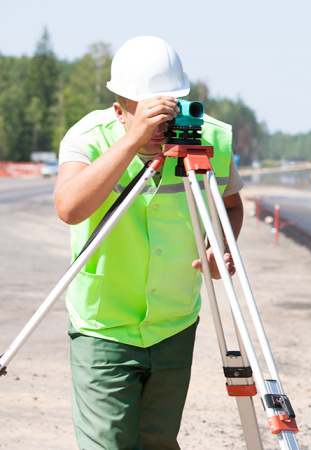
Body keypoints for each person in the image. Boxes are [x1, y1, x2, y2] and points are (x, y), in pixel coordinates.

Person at [53, 36, 244, 449]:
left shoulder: (210, 139)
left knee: (158, 443)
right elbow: (69, 207)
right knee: (108, 444)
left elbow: (230, 208)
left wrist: (220, 247)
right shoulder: (89, 136)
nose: (161, 128)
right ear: (120, 110)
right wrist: (132, 142)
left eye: (168, 111)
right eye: (148, 116)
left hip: (173, 321)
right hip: (104, 325)